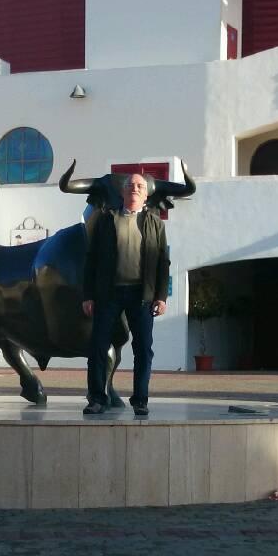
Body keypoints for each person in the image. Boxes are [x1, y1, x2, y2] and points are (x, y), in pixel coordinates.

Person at [82, 171, 169, 415]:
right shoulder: (106, 219)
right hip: (108, 293)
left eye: (140, 186)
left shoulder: (155, 223)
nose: (134, 188)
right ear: (122, 192)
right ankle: (97, 398)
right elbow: (92, 260)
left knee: (143, 348)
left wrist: (161, 296)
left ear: (146, 194)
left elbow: (163, 262)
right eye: (130, 185)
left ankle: (140, 400)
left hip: (141, 296)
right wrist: (88, 294)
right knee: (98, 345)